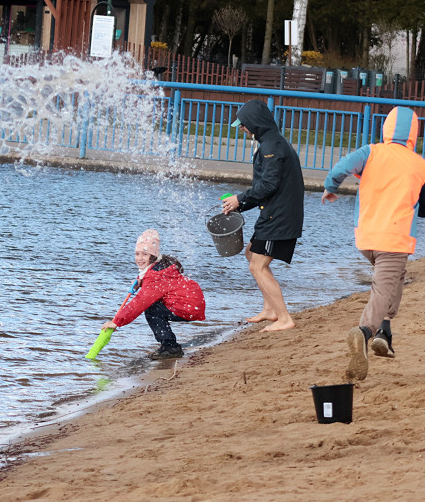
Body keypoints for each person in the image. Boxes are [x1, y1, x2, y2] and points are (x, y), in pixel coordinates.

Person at [322, 106, 425, 382]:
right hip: (395, 238)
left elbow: (341, 167)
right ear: (414, 133)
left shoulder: (371, 152)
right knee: (382, 288)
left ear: (386, 129)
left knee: (394, 280)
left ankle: (385, 334)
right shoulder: (419, 165)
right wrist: (411, 207)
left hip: (366, 236)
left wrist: (331, 186)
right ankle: (365, 332)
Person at [221, 99, 304, 332]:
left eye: (244, 124)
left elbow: (269, 185)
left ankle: (285, 317)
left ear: (255, 123)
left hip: (279, 216)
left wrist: (239, 198)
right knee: (251, 254)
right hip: (273, 213)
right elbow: (266, 188)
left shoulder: (272, 147)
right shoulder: (270, 142)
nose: (242, 128)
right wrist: (239, 205)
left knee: (257, 265)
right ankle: (270, 309)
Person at [100, 229, 205, 359]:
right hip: (192, 303)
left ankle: (170, 347)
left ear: (152, 256)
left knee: (152, 310)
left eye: (144, 255)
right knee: (154, 306)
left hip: (188, 306)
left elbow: (139, 302)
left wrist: (116, 322)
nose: (139, 258)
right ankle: (169, 345)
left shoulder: (155, 276)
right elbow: (159, 287)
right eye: (137, 254)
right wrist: (142, 282)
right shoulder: (161, 266)